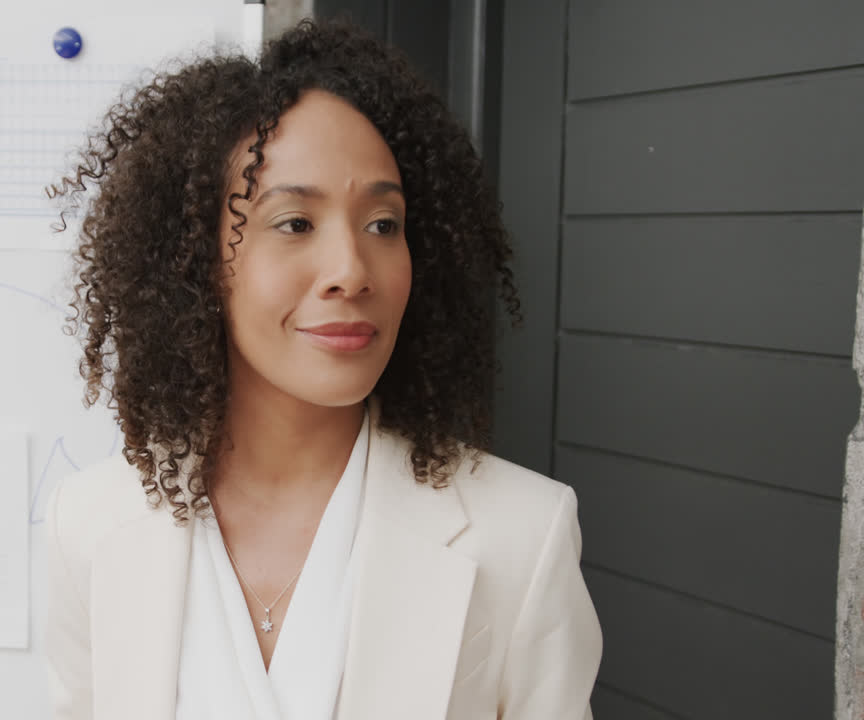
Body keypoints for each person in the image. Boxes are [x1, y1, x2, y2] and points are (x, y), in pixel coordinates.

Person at [45, 19, 601, 720]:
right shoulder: (90, 523)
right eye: (295, 223)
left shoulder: (522, 533)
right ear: (195, 261)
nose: (351, 270)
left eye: (383, 225)